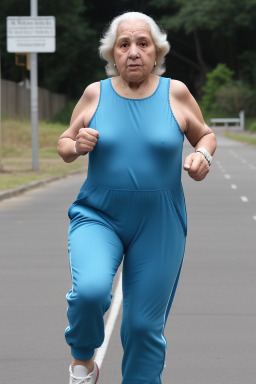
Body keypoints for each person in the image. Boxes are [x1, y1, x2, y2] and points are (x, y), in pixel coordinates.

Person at [57, 11, 217, 384]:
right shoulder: (95, 93)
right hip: (99, 215)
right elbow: (65, 144)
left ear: (155, 52)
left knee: (144, 326)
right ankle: (83, 361)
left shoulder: (174, 92)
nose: (133, 52)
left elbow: (205, 135)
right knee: (91, 292)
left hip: (160, 220)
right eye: (124, 44)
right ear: (112, 53)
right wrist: (76, 144)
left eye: (142, 44)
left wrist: (203, 156)